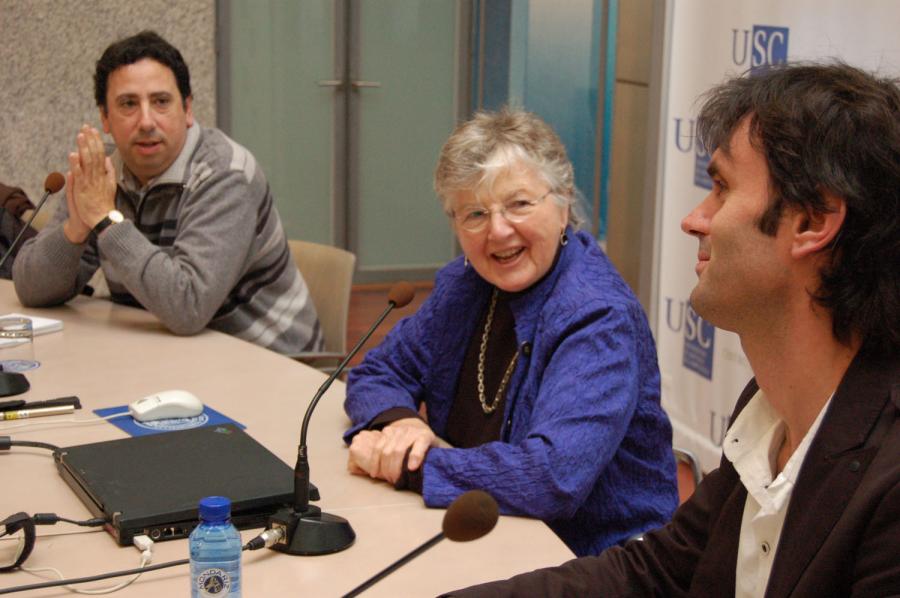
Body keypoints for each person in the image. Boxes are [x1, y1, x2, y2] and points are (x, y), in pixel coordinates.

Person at [448, 62, 900, 596]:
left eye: (722, 189)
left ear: (812, 223)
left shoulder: (888, 485)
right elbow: (660, 572)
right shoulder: (771, 409)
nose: (694, 219)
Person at [343, 108, 678, 557]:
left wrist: (412, 465)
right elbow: (378, 371)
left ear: (563, 204)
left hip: (592, 559)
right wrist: (401, 424)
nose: (498, 231)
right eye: (475, 214)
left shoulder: (598, 315)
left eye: (519, 204)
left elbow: (551, 478)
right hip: (480, 533)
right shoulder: (464, 286)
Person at [12, 31, 323, 355]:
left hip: (271, 363)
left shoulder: (226, 173)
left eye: (161, 102)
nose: (146, 121)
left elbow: (188, 306)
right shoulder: (101, 175)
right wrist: (75, 229)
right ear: (105, 117)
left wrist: (105, 219)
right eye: (128, 104)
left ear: (187, 110)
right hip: (169, 350)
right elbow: (31, 290)